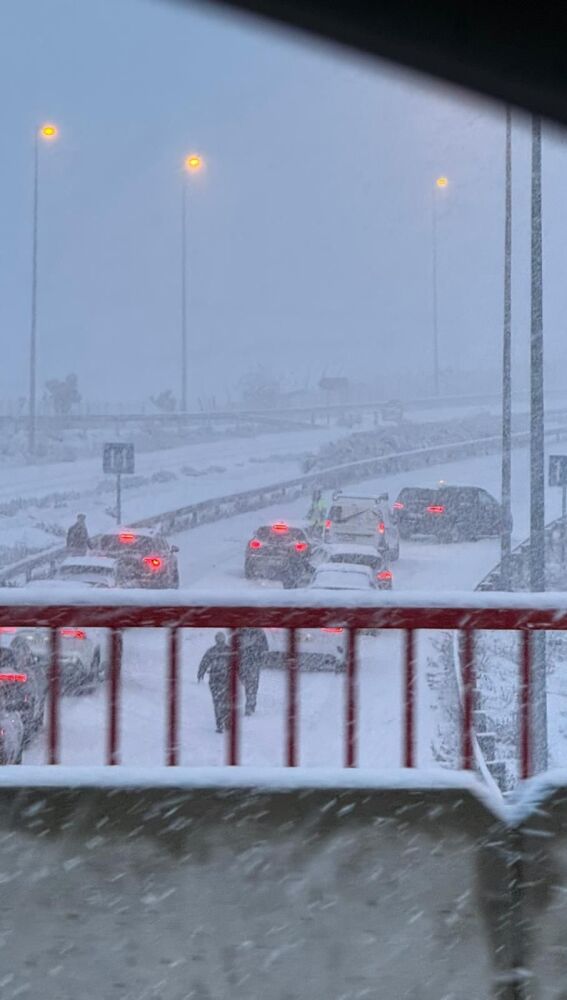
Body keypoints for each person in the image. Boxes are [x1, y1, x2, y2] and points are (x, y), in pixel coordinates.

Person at [197, 632, 232, 733]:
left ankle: (220, 724)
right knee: (226, 701)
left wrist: (201, 673)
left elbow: (204, 662)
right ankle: (226, 722)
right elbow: (237, 665)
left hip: (216, 680)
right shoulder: (229, 650)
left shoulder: (212, 651)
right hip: (225, 679)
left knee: (218, 702)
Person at [238, 628, 268, 716]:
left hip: (253, 663)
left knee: (252, 685)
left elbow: (265, 648)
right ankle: (251, 703)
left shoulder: (259, 632)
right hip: (242, 663)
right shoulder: (241, 631)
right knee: (247, 683)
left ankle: (250, 705)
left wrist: (261, 659)